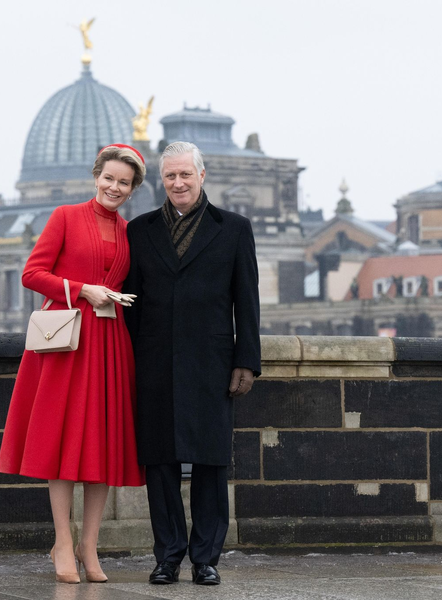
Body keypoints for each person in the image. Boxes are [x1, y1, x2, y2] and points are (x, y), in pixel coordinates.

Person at [0, 144, 147, 584]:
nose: (114, 188)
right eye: (109, 179)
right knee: (61, 443)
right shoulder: (65, 216)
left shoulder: (128, 230)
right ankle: (62, 540)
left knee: (102, 444)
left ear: (133, 188)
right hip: (66, 344)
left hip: (110, 342)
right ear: (95, 176)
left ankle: (89, 546)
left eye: (124, 183)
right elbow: (32, 273)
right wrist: (82, 289)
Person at [124, 141, 261, 586]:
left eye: (185, 175)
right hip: (155, 361)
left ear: (202, 176)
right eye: (170, 177)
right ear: (160, 181)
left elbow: (247, 301)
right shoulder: (139, 229)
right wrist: (128, 360)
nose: (178, 183)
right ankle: (167, 557)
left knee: (210, 462)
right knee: (159, 464)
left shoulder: (235, 228)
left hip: (213, 361)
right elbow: (132, 305)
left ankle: (206, 558)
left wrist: (248, 361)